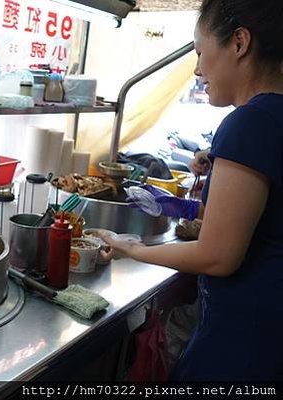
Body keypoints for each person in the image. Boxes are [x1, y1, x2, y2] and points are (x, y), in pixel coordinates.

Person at [103, 0, 283, 380]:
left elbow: (219, 256)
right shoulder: (271, 119)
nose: (198, 69)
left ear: (239, 43)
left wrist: (134, 248)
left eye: (201, 52)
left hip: (244, 340)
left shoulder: (249, 123)